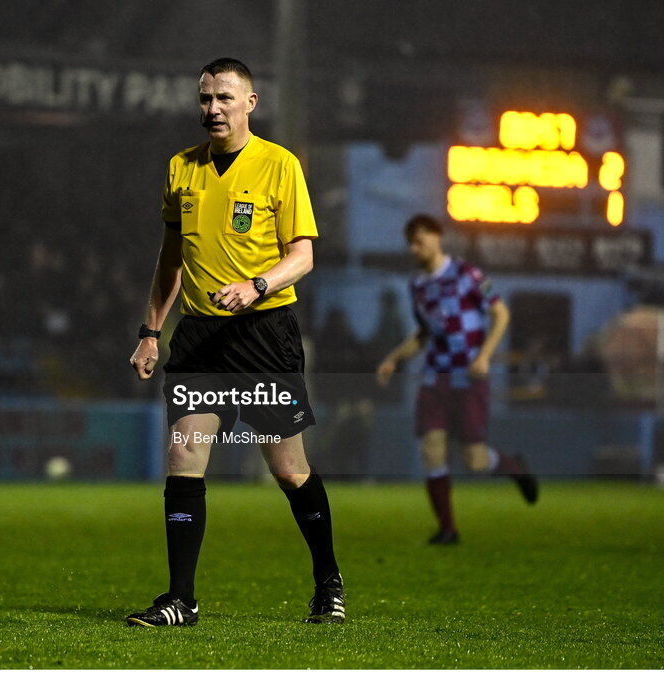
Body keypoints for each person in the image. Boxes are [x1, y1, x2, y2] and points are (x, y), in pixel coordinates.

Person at [126, 58, 343, 626]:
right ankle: (181, 599)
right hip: (198, 337)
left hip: (262, 335)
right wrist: (151, 331)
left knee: (288, 468)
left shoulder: (279, 165)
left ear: (251, 102)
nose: (213, 109)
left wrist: (257, 285)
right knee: (183, 456)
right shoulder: (181, 168)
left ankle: (329, 583)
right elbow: (171, 260)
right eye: (205, 99)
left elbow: (303, 255)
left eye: (225, 97)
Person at [376, 214, 538, 545]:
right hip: (435, 376)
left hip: (468, 376)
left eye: (419, 240)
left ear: (437, 236)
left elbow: (500, 313)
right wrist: (394, 357)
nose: (414, 248)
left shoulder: (467, 274)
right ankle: (448, 530)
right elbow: (423, 333)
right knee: (432, 449)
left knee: (474, 461)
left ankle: (513, 466)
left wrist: (485, 355)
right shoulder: (417, 284)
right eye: (410, 243)